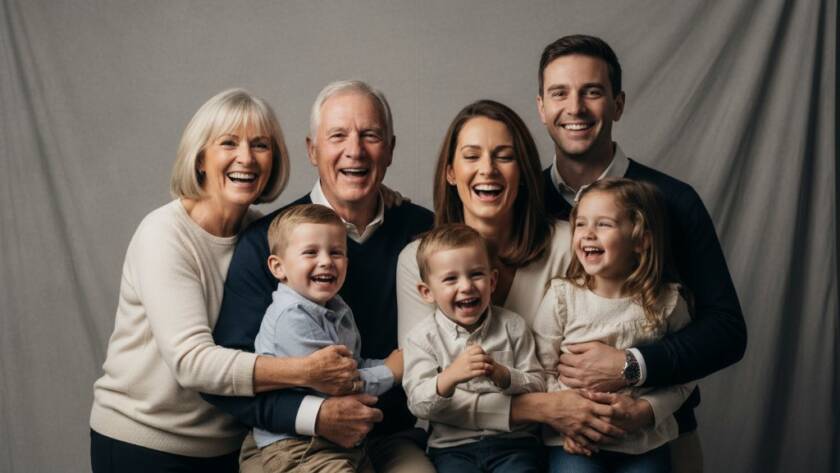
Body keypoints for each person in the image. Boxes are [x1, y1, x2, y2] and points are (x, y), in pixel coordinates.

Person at [90, 89, 352, 472]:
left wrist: (384, 199)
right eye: (228, 143)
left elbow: (320, 233)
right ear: (200, 160)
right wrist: (307, 371)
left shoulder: (265, 235)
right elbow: (191, 362)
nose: (245, 157)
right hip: (144, 442)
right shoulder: (164, 234)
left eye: (260, 145)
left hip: (227, 449)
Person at [535, 34, 747, 471]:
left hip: (657, 434)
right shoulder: (524, 202)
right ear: (542, 107)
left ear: (618, 104)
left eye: (592, 92)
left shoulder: (673, 200)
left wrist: (634, 365)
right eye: (560, 93)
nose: (574, 108)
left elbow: (726, 330)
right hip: (557, 443)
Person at [204, 80, 435, 473]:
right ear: (312, 150)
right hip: (294, 439)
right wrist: (318, 414)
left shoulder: (421, 231)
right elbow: (230, 376)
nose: (355, 150)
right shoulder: (268, 243)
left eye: (370, 136)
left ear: (391, 149)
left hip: (388, 436)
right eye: (338, 136)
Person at [398, 99, 631, 456]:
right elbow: (425, 390)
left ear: (523, 172)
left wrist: (579, 411)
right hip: (461, 447)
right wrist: (544, 409)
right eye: (472, 156)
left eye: (504, 156)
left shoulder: (570, 245)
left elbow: (610, 336)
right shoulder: (416, 260)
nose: (487, 169)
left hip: (563, 438)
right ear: (450, 173)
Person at [533, 179, 694, 473]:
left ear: (640, 240)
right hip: (574, 442)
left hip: (645, 442)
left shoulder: (668, 302)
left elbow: (687, 374)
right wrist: (566, 420)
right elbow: (540, 367)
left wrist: (648, 411)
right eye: (580, 224)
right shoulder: (562, 297)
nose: (588, 234)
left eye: (604, 224)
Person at [254, 204, 403, 473]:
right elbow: (337, 385)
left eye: (336, 252)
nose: (326, 261)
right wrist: (390, 373)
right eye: (310, 252)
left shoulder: (335, 308)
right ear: (278, 267)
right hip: (298, 445)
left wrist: (393, 362)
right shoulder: (292, 316)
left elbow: (351, 366)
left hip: (342, 442)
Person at [403, 224, 545, 473]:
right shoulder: (421, 339)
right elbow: (417, 403)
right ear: (427, 292)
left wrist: (503, 375)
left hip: (513, 444)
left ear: (492, 281)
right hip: (452, 449)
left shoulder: (513, 326)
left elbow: (538, 385)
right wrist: (448, 378)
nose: (466, 286)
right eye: (450, 279)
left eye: (476, 275)